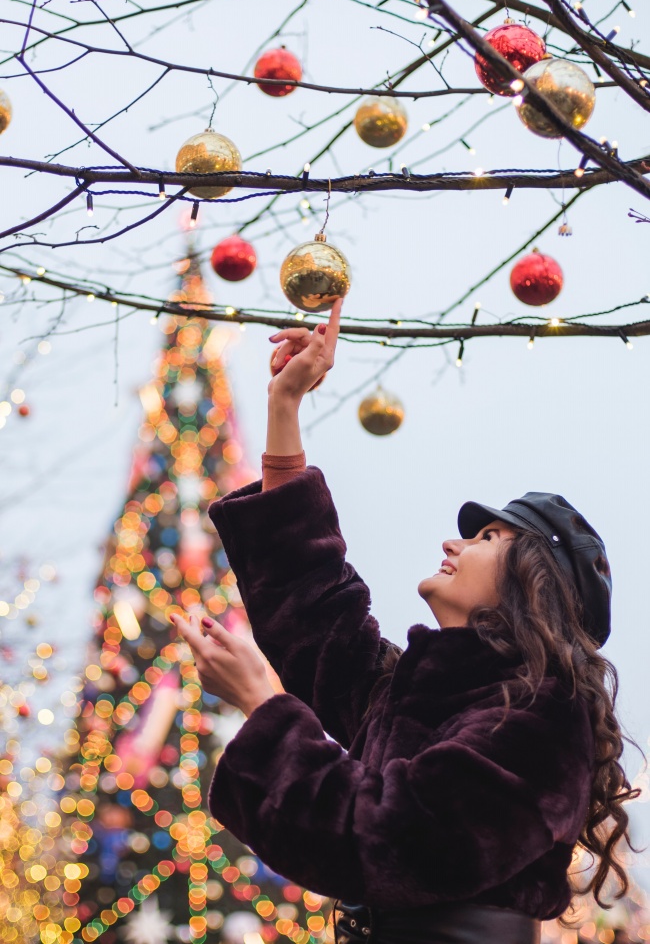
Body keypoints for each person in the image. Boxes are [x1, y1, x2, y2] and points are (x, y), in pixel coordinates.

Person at [171, 300, 637, 944]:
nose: (454, 543)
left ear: (533, 585)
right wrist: (285, 406)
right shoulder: (418, 691)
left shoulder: (544, 718)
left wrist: (263, 703)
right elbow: (314, 612)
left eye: (488, 537)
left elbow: (389, 841)